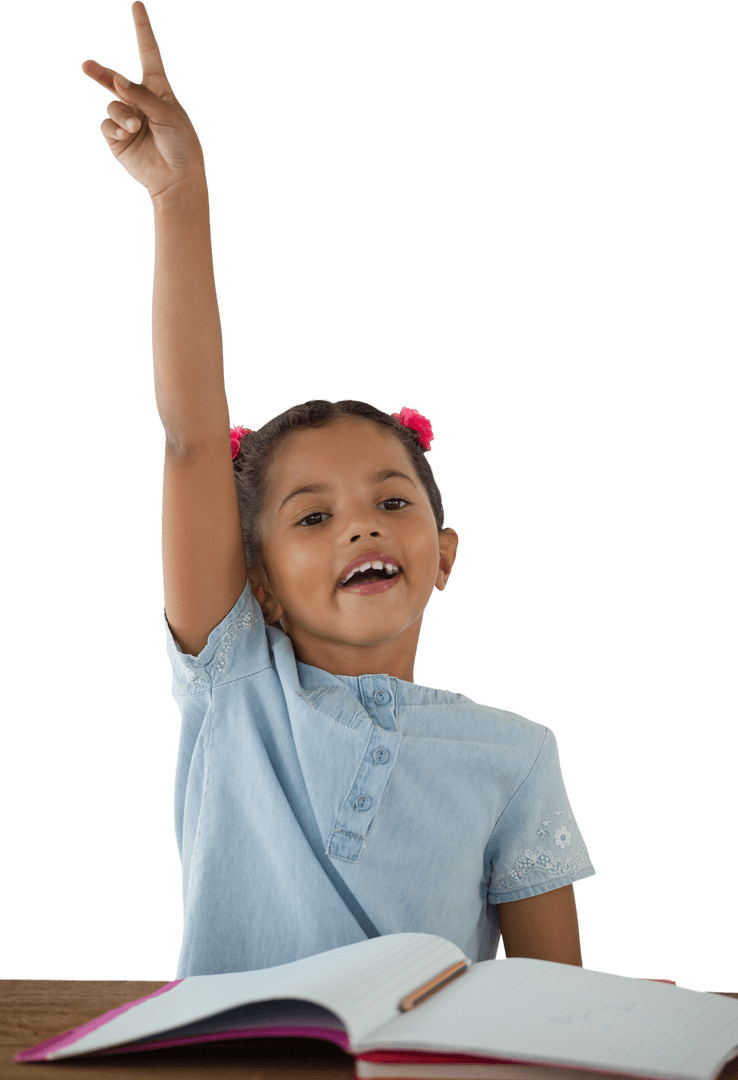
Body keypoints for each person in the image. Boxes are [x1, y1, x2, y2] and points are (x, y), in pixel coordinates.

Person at [81, 1, 596, 979]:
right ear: (258, 582)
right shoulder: (233, 685)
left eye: (393, 500)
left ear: (444, 555)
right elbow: (195, 439)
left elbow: (553, 1004)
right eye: (311, 515)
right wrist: (179, 194)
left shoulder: (517, 755)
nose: (362, 519)